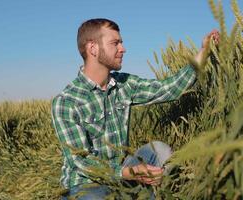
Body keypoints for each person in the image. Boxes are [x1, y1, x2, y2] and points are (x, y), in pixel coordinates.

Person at [51, 18, 219, 199]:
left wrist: (204, 51)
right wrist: (130, 172)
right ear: (93, 48)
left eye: (121, 43)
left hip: (123, 175)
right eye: (115, 43)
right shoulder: (66, 102)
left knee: (159, 150)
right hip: (85, 185)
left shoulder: (125, 84)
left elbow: (170, 88)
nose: (123, 49)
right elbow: (80, 162)